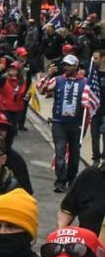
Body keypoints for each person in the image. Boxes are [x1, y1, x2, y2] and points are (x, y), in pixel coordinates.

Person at [46, 53, 87, 192]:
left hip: (76, 124)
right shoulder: (57, 80)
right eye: (64, 64)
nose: (66, 67)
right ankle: (60, 181)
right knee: (60, 153)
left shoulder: (85, 82)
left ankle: (71, 179)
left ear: (76, 66)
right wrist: (48, 75)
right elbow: (42, 89)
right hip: (59, 123)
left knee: (75, 154)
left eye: (69, 65)